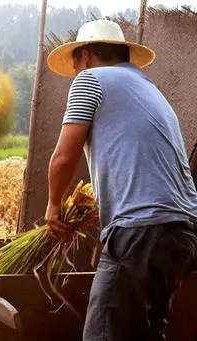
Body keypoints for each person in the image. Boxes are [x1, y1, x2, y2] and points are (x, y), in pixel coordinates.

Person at [44, 19, 197, 341]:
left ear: (84, 56)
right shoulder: (145, 87)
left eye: (75, 61)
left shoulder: (91, 79)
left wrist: (53, 206)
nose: (74, 69)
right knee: (145, 332)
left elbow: (63, 157)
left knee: (104, 335)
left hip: (143, 229)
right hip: (181, 232)